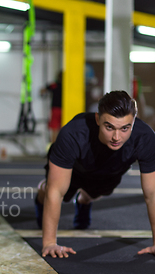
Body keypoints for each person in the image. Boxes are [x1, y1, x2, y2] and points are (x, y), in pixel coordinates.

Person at [35, 90, 155, 258]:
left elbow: (152, 194)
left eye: (125, 128)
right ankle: (41, 191)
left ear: (133, 122)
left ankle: (84, 199)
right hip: (73, 168)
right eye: (109, 127)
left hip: (109, 168)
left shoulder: (145, 138)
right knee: (49, 190)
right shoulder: (73, 134)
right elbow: (56, 191)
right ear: (98, 119)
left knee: (95, 193)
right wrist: (49, 243)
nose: (116, 137)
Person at [40, 71, 62, 143]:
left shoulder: (54, 85)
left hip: (55, 109)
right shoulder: (67, 86)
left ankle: (54, 145)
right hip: (63, 109)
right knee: (61, 127)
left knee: (54, 128)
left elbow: (43, 90)